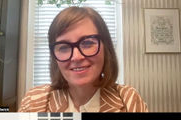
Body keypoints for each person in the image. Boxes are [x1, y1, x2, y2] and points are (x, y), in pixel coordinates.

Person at [19, 7, 148, 112]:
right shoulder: (33, 101)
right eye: (63, 47)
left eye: (87, 43)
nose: (76, 57)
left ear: (106, 47)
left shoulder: (129, 99)